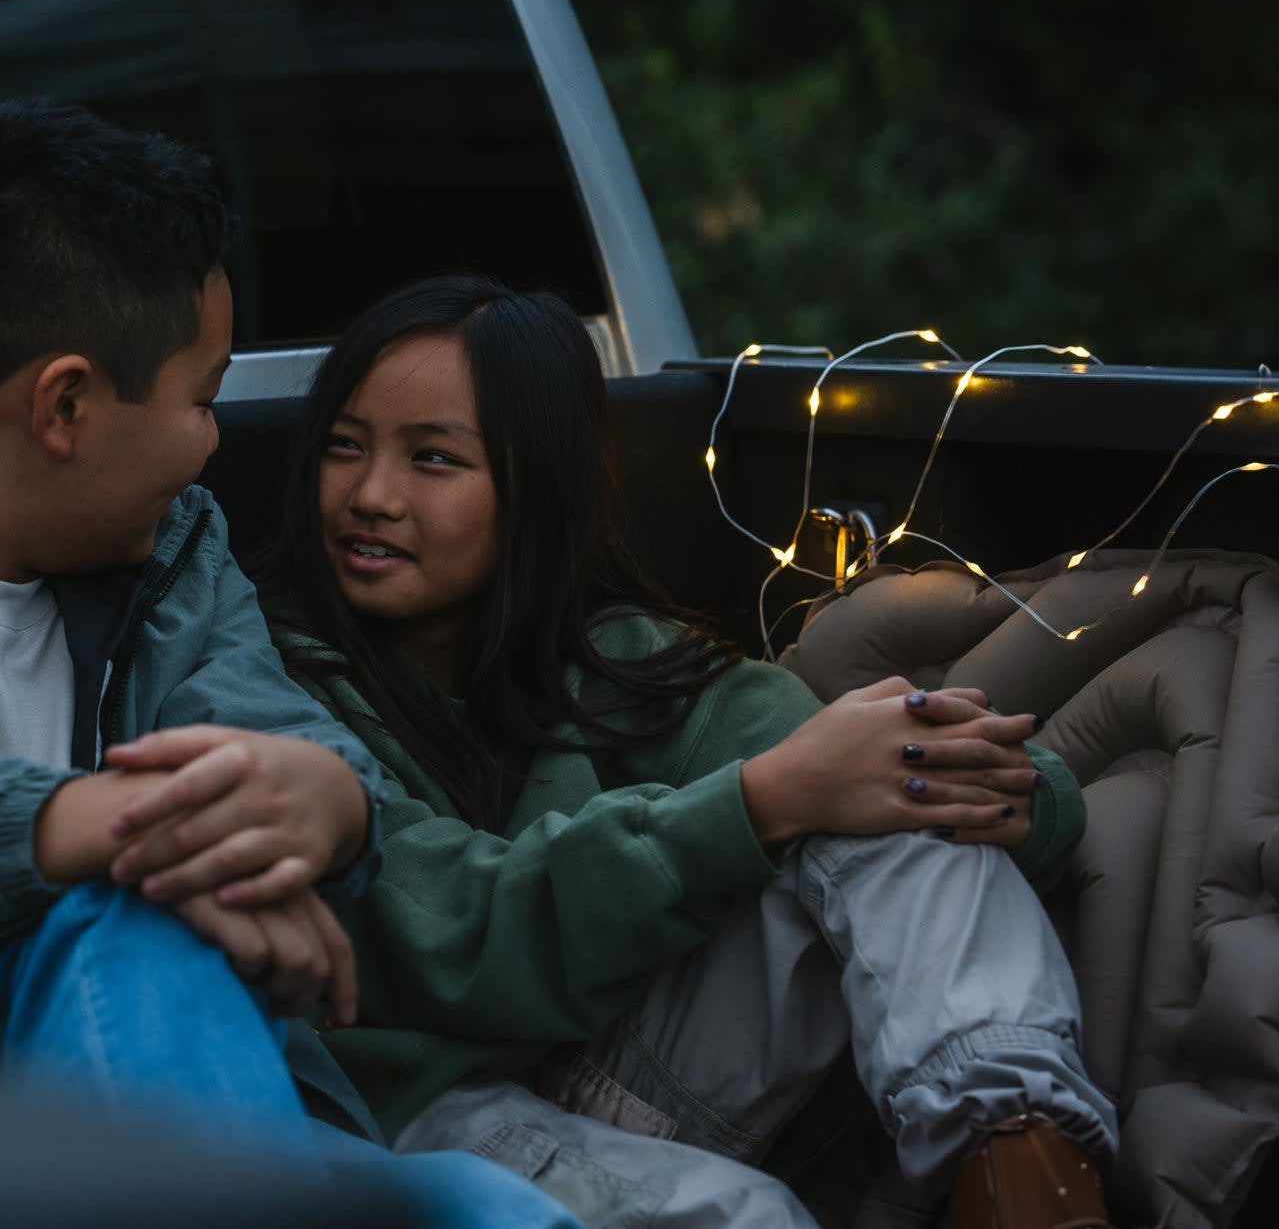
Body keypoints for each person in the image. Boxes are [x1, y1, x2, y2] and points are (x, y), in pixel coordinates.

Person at [252, 273, 1121, 1228]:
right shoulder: (268, 674)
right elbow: (451, 941)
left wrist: (999, 783)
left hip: (603, 1071)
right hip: (413, 1120)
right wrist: (757, 803)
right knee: (750, 1218)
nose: (371, 496)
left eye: (432, 460)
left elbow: (983, 791)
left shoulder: (615, 656)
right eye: (344, 446)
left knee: (894, 803)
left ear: (538, 484)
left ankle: (1026, 1170)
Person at [0, 100, 581, 1229]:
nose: (214, 439)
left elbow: (280, 737)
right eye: (202, 400)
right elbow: (147, 831)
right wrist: (92, 825)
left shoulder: (178, 546)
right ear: (65, 403)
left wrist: (328, 802)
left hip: (177, 1102)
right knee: (143, 919)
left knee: (491, 1207)